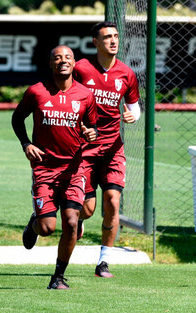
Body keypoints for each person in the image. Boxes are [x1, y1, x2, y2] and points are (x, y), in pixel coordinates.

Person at [12, 45, 97, 289]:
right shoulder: (36, 92)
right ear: (51, 64)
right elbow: (17, 118)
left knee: (71, 222)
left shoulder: (85, 95)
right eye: (57, 57)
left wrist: (92, 133)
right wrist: (26, 143)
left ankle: (58, 276)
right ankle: (34, 223)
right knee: (48, 228)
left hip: (74, 169)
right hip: (44, 169)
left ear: (74, 63)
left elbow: (93, 126)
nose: (63, 61)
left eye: (68, 57)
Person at [73, 21, 140, 278]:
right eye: (107, 37)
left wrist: (133, 117)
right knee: (88, 209)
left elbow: (134, 107)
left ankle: (104, 262)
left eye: (115, 36)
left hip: (113, 148)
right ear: (95, 42)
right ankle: (77, 219)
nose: (113, 41)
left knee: (113, 201)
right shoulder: (81, 68)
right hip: (85, 148)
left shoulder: (126, 74)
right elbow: (65, 98)